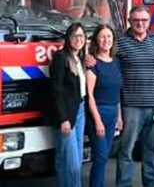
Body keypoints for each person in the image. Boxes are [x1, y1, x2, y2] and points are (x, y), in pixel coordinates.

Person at [116, 5, 154, 187]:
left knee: (151, 149)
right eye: (136, 20)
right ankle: (123, 184)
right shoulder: (120, 41)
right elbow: (105, 60)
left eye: (144, 20)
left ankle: (151, 184)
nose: (140, 23)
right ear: (129, 21)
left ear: (149, 21)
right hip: (130, 106)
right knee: (126, 150)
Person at [49, 22, 87, 187]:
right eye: (75, 36)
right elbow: (56, 91)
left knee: (75, 159)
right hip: (67, 115)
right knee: (70, 163)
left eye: (81, 36)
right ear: (68, 38)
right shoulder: (60, 58)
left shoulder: (80, 58)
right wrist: (63, 119)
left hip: (80, 110)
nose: (79, 39)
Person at [86, 24, 123, 187]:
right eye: (102, 36)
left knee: (104, 155)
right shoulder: (92, 65)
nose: (106, 40)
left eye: (109, 36)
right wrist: (98, 121)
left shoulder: (116, 62)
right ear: (96, 40)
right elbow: (90, 96)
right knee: (100, 156)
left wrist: (120, 116)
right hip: (98, 113)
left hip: (113, 112)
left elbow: (118, 91)